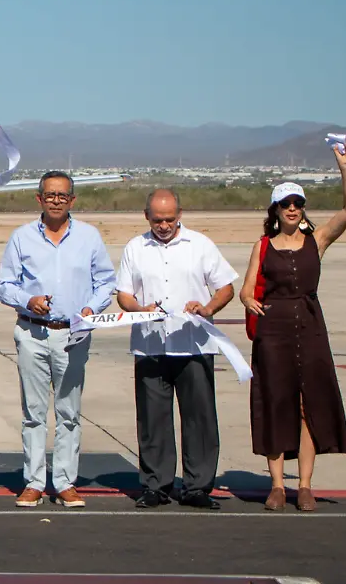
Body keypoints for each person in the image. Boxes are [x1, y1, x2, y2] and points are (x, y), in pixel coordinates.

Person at [239, 144, 346, 512]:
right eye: (286, 204)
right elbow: (246, 290)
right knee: (276, 404)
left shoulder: (316, 241)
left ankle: (304, 484)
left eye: (298, 203)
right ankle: (277, 485)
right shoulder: (263, 246)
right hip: (273, 330)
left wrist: (344, 169)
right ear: (275, 210)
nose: (293, 209)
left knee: (309, 405)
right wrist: (248, 301)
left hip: (309, 326)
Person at [0, 171, 116, 508]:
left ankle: (64, 482)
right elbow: (4, 285)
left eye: (63, 196)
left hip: (72, 334)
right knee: (33, 413)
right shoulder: (21, 237)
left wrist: (93, 307)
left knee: (69, 411)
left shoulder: (89, 237)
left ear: (72, 200)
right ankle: (34, 481)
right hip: (32, 332)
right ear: (39, 199)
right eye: (50, 195)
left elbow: (107, 281)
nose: (56, 201)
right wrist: (27, 300)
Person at [115, 189, 238, 510]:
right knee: (152, 419)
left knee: (199, 418)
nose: (164, 225)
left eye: (170, 219)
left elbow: (226, 287)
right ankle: (156, 484)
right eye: (157, 220)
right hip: (151, 346)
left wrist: (209, 307)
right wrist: (139, 307)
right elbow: (123, 294)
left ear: (180, 215)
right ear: (147, 217)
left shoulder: (200, 245)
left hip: (193, 344)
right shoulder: (135, 247)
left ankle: (197, 486)